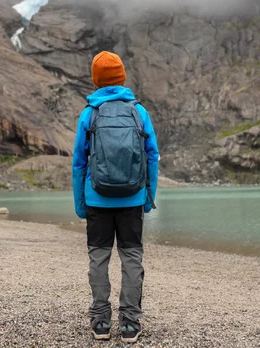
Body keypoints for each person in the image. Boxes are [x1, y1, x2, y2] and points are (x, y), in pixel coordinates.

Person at [72, 51, 159, 343]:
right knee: (131, 258)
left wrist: (80, 203)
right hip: (133, 200)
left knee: (99, 258)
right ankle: (130, 324)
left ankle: (100, 323)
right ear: (122, 77)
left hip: (96, 199)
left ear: (96, 80)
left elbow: (79, 163)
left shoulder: (90, 113)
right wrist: (148, 197)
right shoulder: (138, 112)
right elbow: (153, 157)